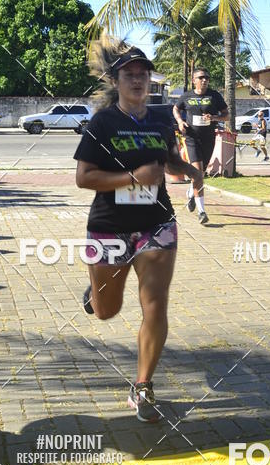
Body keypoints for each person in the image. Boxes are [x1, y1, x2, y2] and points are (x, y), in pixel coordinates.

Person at [74, 41, 202, 423]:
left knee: (155, 304)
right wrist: (131, 178)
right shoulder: (103, 123)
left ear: (150, 80)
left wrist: (188, 169)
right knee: (105, 312)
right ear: (116, 80)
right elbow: (84, 178)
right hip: (109, 227)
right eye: (129, 74)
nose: (137, 79)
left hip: (156, 224)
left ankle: (143, 386)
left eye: (143, 74)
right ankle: (94, 294)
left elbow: (167, 159)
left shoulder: (162, 119)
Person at [173, 68, 228, 225]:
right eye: (201, 77)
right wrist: (180, 121)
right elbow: (176, 108)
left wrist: (215, 117)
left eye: (207, 78)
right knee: (197, 173)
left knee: (200, 175)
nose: (205, 80)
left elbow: (227, 115)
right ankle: (202, 212)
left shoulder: (214, 96)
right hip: (191, 138)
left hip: (208, 139)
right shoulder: (186, 96)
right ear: (194, 80)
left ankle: (191, 193)